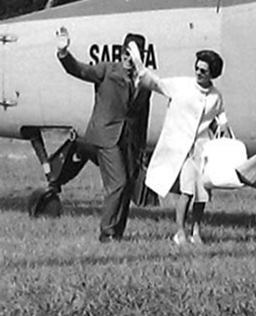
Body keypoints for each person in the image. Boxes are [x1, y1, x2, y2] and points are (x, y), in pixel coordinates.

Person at [52, 27, 147, 242]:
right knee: (118, 183)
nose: (127, 59)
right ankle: (107, 233)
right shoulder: (107, 70)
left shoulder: (143, 81)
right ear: (120, 52)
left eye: (132, 55)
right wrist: (64, 54)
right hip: (106, 136)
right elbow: (80, 70)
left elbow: (143, 115)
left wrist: (140, 147)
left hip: (129, 139)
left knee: (129, 184)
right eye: (125, 53)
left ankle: (118, 233)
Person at [137, 47, 228, 246]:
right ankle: (180, 231)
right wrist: (141, 69)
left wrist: (223, 122)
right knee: (187, 191)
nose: (198, 72)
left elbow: (219, 113)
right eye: (197, 68)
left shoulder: (215, 96)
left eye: (203, 70)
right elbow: (158, 84)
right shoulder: (182, 85)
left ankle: (196, 230)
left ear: (212, 73)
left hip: (202, 149)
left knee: (202, 193)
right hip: (182, 148)